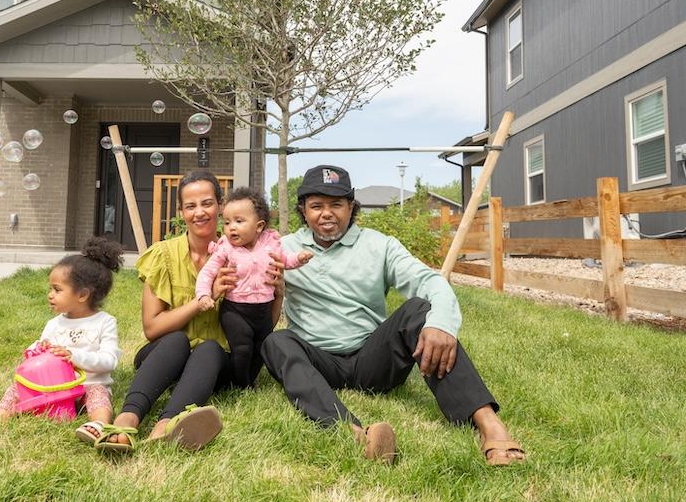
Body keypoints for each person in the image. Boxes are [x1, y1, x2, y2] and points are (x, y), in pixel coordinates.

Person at [261, 165, 526, 466]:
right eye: (316, 206)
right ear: (303, 210)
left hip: (372, 360)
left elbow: (431, 282)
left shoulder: (380, 245)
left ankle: (489, 424)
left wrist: (441, 324)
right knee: (277, 341)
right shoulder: (282, 249)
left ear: (351, 207)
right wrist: (276, 292)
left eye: (336, 204)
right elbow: (257, 308)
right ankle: (352, 432)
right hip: (317, 361)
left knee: (419, 311)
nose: (327, 213)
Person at [95, 171, 276, 453]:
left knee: (210, 349)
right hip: (165, 359)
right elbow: (152, 329)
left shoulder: (245, 255)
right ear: (181, 211)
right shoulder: (164, 254)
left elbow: (264, 325)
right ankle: (127, 417)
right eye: (190, 206)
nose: (199, 212)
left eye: (207, 203)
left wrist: (280, 288)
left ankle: (166, 424)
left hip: (212, 368)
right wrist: (205, 297)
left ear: (220, 205)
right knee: (177, 340)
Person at [0, 237, 122, 433]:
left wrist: (74, 357)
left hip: (86, 388)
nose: (50, 294)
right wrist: (35, 350)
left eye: (57, 289)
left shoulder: (105, 322)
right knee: (15, 390)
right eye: (50, 289)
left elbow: (109, 360)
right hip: (54, 389)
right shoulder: (54, 324)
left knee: (99, 393)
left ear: (82, 295)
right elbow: (40, 350)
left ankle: (99, 425)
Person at [194, 187, 311, 387]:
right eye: (227, 222)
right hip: (236, 310)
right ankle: (241, 383)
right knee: (243, 348)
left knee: (261, 348)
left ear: (259, 226)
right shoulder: (226, 249)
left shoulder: (270, 244)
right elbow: (207, 272)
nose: (231, 227)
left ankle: (250, 379)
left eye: (239, 221)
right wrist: (204, 295)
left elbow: (285, 260)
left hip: (263, 310)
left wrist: (299, 258)